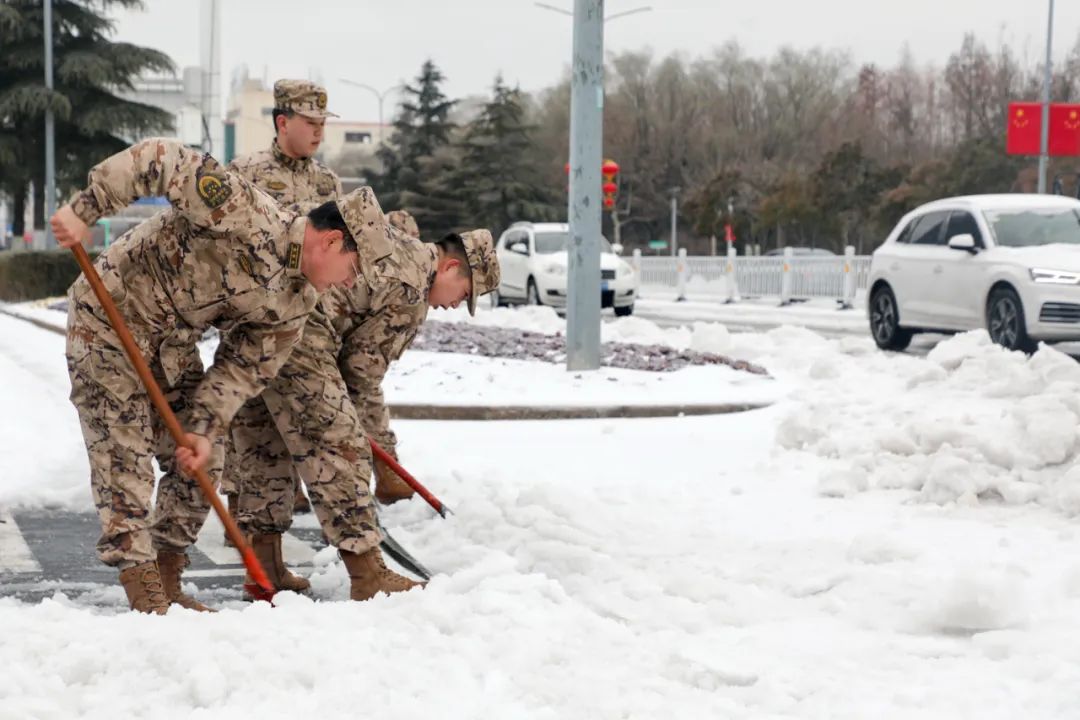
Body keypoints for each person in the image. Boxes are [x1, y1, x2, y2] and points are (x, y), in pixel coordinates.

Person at [51, 137, 383, 615]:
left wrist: (204, 427)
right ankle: (146, 596)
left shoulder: (296, 302)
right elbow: (159, 160)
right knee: (123, 457)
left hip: (170, 347)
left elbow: (244, 369)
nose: (348, 284)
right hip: (110, 322)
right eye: (352, 270)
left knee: (203, 456)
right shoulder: (245, 211)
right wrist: (87, 208)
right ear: (331, 241)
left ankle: (166, 577)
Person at [233, 207, 500, 601]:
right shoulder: (412, 289)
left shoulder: (396, 248)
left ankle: (264, 573)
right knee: (341, 446)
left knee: (266, 445)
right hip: (301, 335)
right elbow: (360, 373)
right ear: (450, 266)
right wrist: (362, 440)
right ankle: (367, 573)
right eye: (464, 294)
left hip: (259, 321)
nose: (456, 305)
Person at [222, 79, 343, 520]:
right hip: (254, 328)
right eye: (310, 123)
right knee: (251, 435)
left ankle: (272, 555)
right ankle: (248, 530)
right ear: (282, 121)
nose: (318, 132)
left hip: (308, 328)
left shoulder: (328, 182)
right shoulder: (244, 173)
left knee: (297, 432)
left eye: (322, 124)